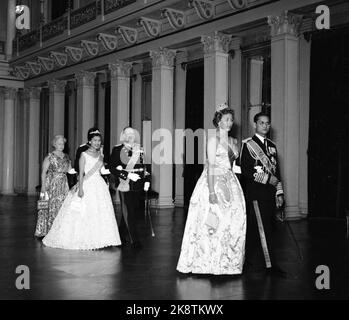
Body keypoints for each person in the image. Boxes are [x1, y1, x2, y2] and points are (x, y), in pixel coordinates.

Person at [176, 103, 246, 275]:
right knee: (213, 223)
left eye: (231, 119)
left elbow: (235, 165)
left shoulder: (234, 141)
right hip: (214, 182)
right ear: (218, 121)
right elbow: (211, 166)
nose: (230, 122)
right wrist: (213, 192)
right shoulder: (213, 140)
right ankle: (209, 262)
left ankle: (228, 263)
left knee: (233, 221)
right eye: (226, 119)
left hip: (231, 181)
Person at [42, 130, 121, 250]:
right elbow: (81, 173)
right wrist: (80, 188)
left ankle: (101, 239)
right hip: (87, 185)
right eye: (94, 140)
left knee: (100, 212)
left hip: (99, 185)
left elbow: (102, 171)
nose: (97, 143)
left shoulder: (101, 155)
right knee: (85, 211)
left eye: (99, 141)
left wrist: (116, 169)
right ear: (90, 141)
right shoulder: (83, 154)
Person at [240, 112, 286, 277]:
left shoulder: (272, 145)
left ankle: (248, 261)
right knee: (260, 229)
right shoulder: (248, 145)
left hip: (270, 194)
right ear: (255, 124)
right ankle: (269, 266)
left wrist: (279, 192)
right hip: (257, 194)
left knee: (263, 229)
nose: (265, 126)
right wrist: (268, 180)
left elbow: (276, 171)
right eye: (261, 123)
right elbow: (246, 171)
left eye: (267, 123)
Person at [109, 127, 150, 248]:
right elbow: (112, 167)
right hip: (124, 183)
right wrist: (127, 175)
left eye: (132, 133)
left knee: (132, 210)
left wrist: (147, 180)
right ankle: (134, 239)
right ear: (123, 135)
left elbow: (145, 167)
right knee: (129, 211)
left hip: (137, 184)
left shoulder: (139, 149)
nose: (130, 135)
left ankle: (121, 235)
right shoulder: (117, 149)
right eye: (127, 133)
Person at [35, 135, 72, 237]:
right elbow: (43, 172)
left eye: (63, 143)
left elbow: (70, 170)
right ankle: (47, 230)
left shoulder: (67, 157)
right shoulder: (50, 156)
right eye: (59, 143)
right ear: (54, 144)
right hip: (51, 183)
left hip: (63, 184)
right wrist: (43, 186)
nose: (61, 145)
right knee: (49, 206)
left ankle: (60, 229)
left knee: (62, 205)